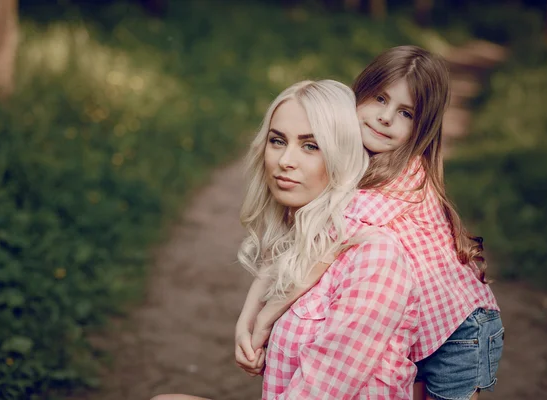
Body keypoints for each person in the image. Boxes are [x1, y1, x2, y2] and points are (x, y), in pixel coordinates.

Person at [236, 46, 504, 400]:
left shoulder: (401, 180)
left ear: (421, 128)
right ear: (357, 94)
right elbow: (296, 248)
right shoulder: (356, 161)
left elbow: (324, 250)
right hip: (418, 322)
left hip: (461, 331)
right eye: (379, 99)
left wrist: (264, 319)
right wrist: (248, 312)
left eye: (405, 113)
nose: (385, 118)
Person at [153, 79, 421, 400]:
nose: (285, 161)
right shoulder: (306, 238)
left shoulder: (375, 257)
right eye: (278, 141)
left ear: (342, 155)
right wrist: (248, 322)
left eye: (311, 146)